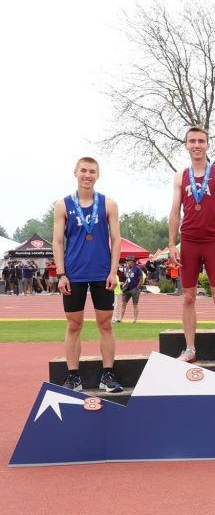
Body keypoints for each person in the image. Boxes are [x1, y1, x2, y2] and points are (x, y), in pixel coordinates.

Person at [52, 157, 123, 393]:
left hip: (103, 274)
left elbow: (116, 240)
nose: (87, 175)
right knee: (74, 325)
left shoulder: (109, 204)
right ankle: (73, 376)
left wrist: (113, 271)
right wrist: (61, 274)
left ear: (98, 175)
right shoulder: (63, 205)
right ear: (75, 173)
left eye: (92, 171)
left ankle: (108, 375)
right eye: (83, 170)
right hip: (73, 274)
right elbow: (58, 240)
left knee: (105, 324)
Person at [169, 125, 215, 364]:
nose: (197, 145)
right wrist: (171, 244)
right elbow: (175, 212)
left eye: (201, 141)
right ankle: (189, 349)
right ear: (186, 145)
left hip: (213, 242)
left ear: (208, 145)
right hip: (188, 242)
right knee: (188, 297)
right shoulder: (181, 176)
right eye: (192, 141)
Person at [115, 255, 144, 323]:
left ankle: (135, 320)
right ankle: (120, 318)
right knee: (123, 304)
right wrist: (125, 284)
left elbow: (141, 279)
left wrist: (137, 288)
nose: (128, 262)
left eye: (129, 261)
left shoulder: (137, 268)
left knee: (135, 304)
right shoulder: (126, 268)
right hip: (127, 289)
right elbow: (127, 278)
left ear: (133, 261)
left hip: (134, 288)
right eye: (127, 260)